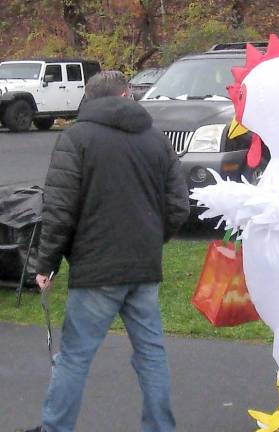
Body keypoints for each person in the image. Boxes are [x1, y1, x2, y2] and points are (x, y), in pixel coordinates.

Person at [23, 70, 190, 432]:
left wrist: (45, 263)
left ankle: (55, 428)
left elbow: (59, 209)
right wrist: (151, 239)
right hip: (143, 268)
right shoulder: (156, 139)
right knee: (151, 355)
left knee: (74, 358)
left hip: (96, 269)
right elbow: (179, 205)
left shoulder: (76, 138)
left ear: (90, 99)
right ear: (127, 94)